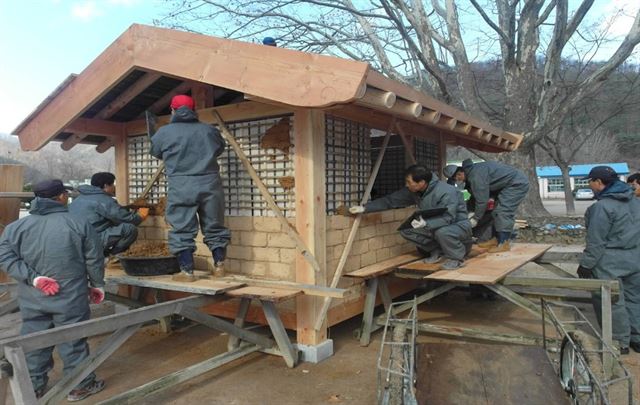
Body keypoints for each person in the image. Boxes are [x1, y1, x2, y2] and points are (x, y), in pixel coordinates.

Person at [0, 179, 106, 401]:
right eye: (65, 195)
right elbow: (94, 259)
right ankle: (79, 386)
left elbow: (5, 257)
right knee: (73, 340)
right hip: (70, 295)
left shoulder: (15, 228)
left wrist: (34, 278)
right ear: (60, 197)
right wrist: (97, 284)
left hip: (33, 296)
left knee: (35, 340)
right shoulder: (78, 223)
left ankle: (34, 388)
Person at [150, 94, 231, 281]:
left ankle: (187, 271)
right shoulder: (209, 131)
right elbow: (218, 149)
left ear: (172, 110)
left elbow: (156, 151)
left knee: (181, 228)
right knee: (215, 226)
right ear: (194, 110)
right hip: (210, 183)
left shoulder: (164, 133)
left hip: (181, 184)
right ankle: (219, 267)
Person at [350, 165, 472, 270]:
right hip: (434, 225)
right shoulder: (414, 191)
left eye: (409, 182)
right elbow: (390, 201)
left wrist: (426, 224)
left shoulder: (446, 191)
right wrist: (365, 208)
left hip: (457, 226)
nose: (406, 185)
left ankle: (456, 258)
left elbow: (448, 217)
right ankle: (437, 250)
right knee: (406, 230)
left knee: (442, 232)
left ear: (421, 182)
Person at [577, 166, 640, 355]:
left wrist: (586, 265)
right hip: (635, 257)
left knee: (611, 301)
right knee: (634, 298)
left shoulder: (602, 207)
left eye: (590, 181)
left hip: (609, 260)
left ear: (598, 182)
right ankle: (637, 338)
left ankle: (619, 342)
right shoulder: (635, 202)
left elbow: (596, 240)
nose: (589, 185)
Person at [69, 172, 149, 257]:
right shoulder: (104, 200)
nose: (114, 187)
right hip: (92, 240)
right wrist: (140, 216)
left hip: (76, 242)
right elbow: (126, 219)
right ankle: (113, 256)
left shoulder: (78, 199)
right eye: (112, 184)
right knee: (129, 229)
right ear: (106, 186)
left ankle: (102, 254)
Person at [462, 158, 529, 252]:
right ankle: (496, 240)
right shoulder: (476, 170)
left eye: (457, 177)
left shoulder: (475, 176)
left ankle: (504, 243)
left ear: (461, 173)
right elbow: (476, 196)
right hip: (507, 184)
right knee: (495, 213)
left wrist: (475, 218)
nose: (459, 181)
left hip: (516, 184)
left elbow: (481, 201)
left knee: (503, 212)